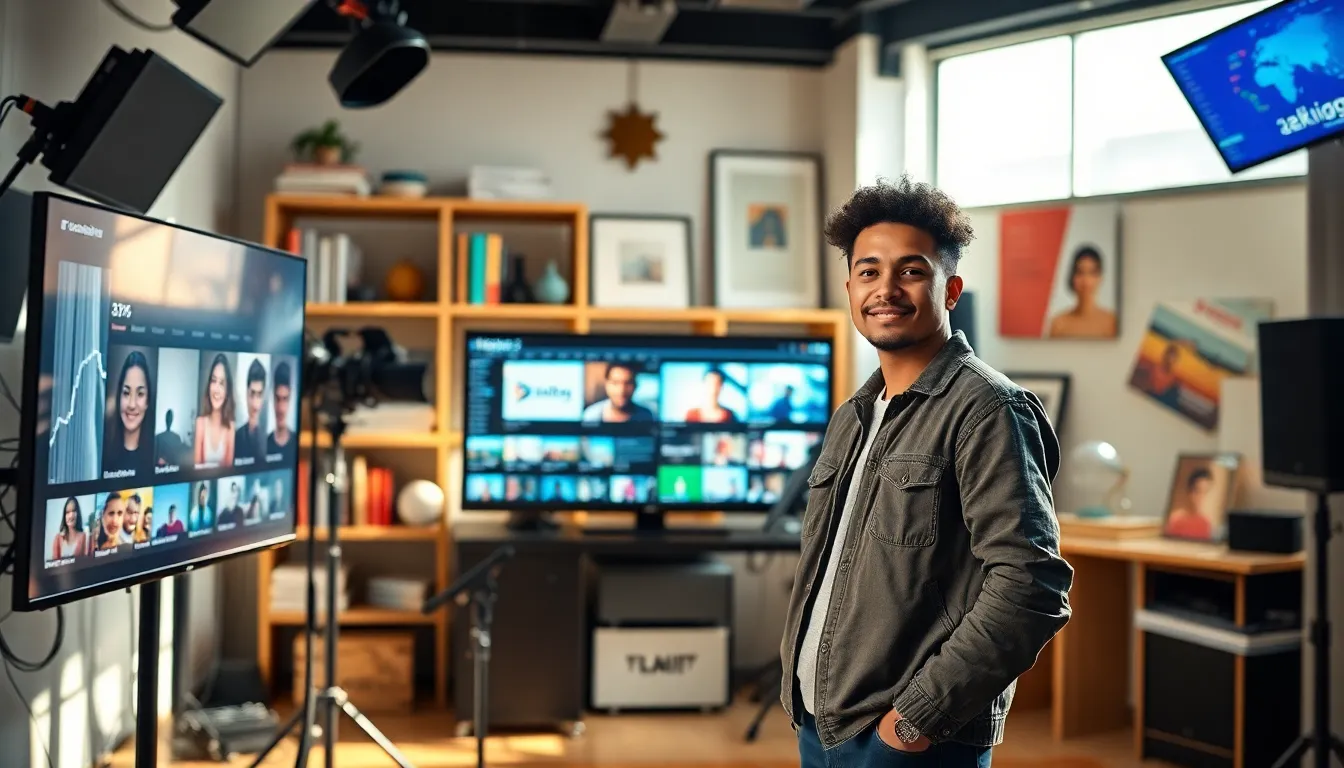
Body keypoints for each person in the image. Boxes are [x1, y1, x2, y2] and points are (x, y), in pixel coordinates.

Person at [780, 175, 1074, 767]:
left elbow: (1031, 586)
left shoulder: (988, 409)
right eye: (868, 272)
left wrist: (914, 721)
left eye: (911, 270)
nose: (885, 288)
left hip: (909, 743)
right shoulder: (854, 415)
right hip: (820, 724)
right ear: (850, 287)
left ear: (951, 289)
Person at [1047, 245, 1117, 338]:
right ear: (1073, 277)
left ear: (1100, 278)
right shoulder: (1059, 324)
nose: (1086, 281)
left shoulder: (1112, 323)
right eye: (1080, 272)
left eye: (1092, 273)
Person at [104, 350, 153, 473]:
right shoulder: (103, 455)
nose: (132, 404)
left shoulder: (156, 459)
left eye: (140, 394)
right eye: (126, 393)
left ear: (148, 401)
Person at [195, 353, 236, 467]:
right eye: (214, 381)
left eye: (222, 383)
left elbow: (228, 472)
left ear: (228, 390)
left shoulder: (231, 428)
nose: (216, 390)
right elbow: (197, 470)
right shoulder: (200, 423)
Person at [581, 363, 654, 423]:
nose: (621, 390)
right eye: (615, 383)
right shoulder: (591, 415)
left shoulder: (646, 416)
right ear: (606, 385)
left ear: (635, 385)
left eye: (627, 383)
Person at [1165, 468, 1215, 540]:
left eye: (1205, 492)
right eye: (1198, 491)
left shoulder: (1205, 523)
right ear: (1190, 492)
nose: (1201, 497)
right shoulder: (1176, 520)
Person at [235, 359, 267, 462]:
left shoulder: (268, 439)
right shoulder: (236, 437)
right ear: (246, 394)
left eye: (259, 395)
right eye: (252, 394)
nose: (254, 404)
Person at [266, 360, 295, 458]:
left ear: (290, 399)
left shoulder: (296, 441)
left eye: (285, 399)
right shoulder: (264, 445)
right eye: (277, 399)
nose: (281, 409)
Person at [50, 496, 86, 560]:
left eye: (74, 510)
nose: (71, 515)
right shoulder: (58, 538)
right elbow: (54, 563)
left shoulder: (84, 536)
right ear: (64, 516)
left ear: (78, 513)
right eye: (67, 512)